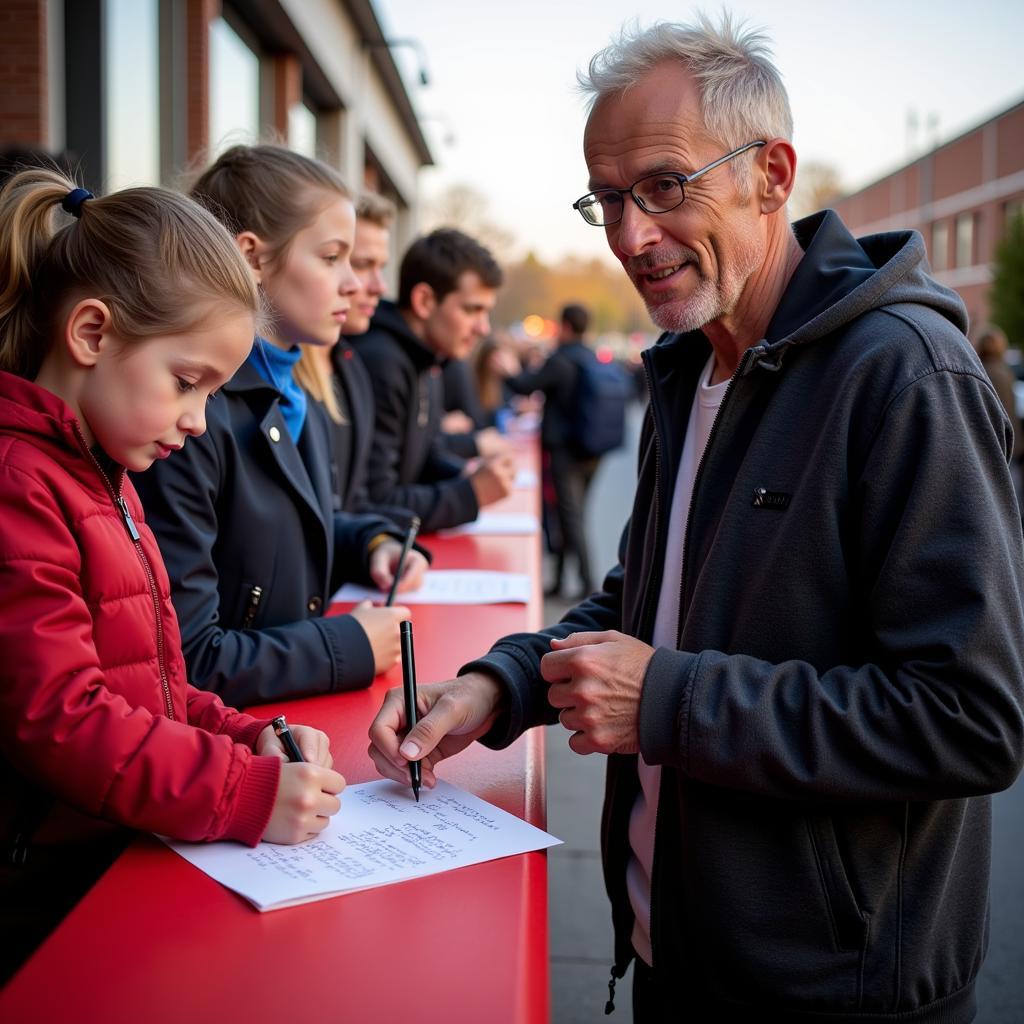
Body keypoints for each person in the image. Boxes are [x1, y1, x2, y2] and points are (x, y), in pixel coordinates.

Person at [369, 14, 1024, 1022]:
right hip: (672, 954)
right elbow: (649, 600)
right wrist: (496, 686)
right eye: (609, 199)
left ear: (770, 173)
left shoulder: (904, 377)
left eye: (665, 188)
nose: (631, 235)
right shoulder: (692, 365)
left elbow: (968, 720)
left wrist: (670, 702)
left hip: (830, 993)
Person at [0, 169, 344, 981]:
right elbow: (60, 718)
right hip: (37, 899)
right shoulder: (19, 482)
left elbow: (146, 680)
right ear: (92, 333)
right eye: (186, 384)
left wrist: (241, 732)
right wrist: (243, 791)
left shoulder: (102, 476)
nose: (196, 422)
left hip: (104, 856)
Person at [134, 145, 426, 709]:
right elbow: (188, 658)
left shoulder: (294, 394)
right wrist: (347, 646)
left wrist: (370, 542)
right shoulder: (190, 420)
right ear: (254, 258)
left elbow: (285, 538)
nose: (357, 284)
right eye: (333, 257)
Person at [352, 228, 517, 533]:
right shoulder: (383, 362)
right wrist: (470, 494)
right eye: (472, 309)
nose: (483, 328)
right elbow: (373, 501)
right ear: (425, 301)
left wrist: (470, 474)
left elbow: (423, 457)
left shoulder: (426, 359)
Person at [504, 303, 604, 598]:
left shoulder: (560, 360)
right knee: (570, 513)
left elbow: (524, 385)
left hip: (565, 451)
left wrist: (508, 370)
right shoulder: (591, 357)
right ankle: (561, 580)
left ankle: (587, 583)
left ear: (566, 327)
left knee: (568, 516)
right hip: (591, 450)